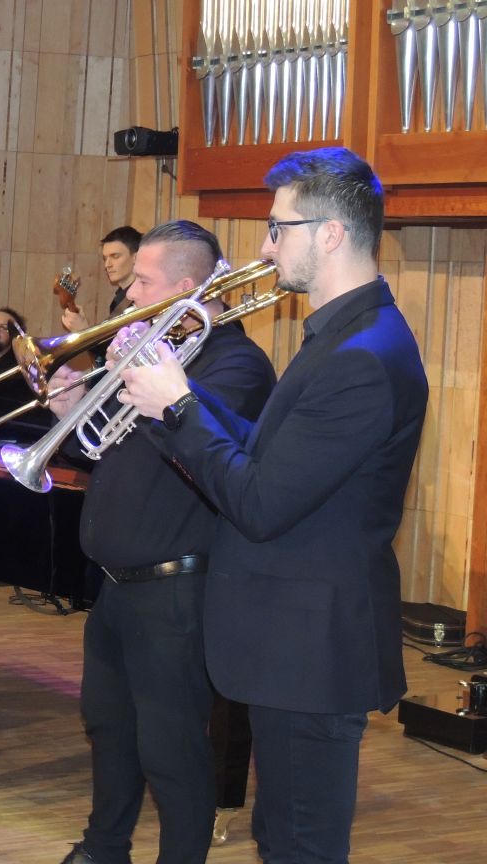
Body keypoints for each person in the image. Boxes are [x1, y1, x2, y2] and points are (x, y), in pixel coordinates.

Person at [118, 147, 428, 863]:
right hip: (291, 643)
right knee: (282, 838)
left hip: (310, 650)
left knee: (299, 847)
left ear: (330, 234)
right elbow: (268, 452)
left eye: (277, 228)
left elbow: (259, 503)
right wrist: (167, 399)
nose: (264, 247)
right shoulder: (342, 335)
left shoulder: (362, 356)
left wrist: (181, 407)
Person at [49, 221, 276, 864]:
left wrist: (150, 378)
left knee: (170, 749)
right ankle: (104, 848)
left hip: (177, 590)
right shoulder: (153, 352)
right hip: (117, 587)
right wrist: (73, 403)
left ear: (184, 287)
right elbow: (100, 449)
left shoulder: (237, 364)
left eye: (143, 282)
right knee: (109, 727)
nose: (129, 294)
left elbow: (197, 449)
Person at [62, 225, 142, 332]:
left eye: (115, 256)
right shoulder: (119, 298)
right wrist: (84, 328)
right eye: (105, 258)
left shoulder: (142, 299)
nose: (107, 265)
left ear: (135, 257)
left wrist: (83, 330)